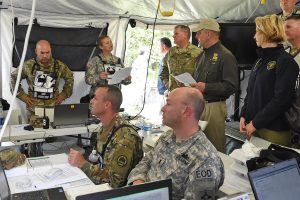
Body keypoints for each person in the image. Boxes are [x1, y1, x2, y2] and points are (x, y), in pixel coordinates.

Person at [127, 87, 224, 200]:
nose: (162, 109)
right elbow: (146, 161)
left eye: (168, 104)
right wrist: (138, 181)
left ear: (186, 111)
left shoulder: (205, 160)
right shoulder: (167, 136)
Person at [240, 14, 299, 147]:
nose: (254, 36)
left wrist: (256, 123)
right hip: (253, 126)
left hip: (273, 130)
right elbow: (250, 92)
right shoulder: (259, 61)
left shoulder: (286, 61)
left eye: (257, 31)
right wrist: (243, 115)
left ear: (267, 32)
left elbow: (282, 100)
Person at [68, 85, 143, 188]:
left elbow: (114, 183)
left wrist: (82, 163)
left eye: (95, 98)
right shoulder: (106, 128)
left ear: (107, 104)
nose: (91, 101)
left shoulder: (125, 138)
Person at [11, 39, 74, 157]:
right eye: (42, 53)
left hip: (53, 107)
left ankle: (49, 163)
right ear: (36, 51)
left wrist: (64, 94)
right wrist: (23, 96)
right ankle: (33, 159)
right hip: (35, 108)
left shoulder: (59, 66)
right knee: (34, 138)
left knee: (50, 139)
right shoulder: (28, 65)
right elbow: (13, 78)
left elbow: (70, 77)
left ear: (51, 51)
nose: (45, 56)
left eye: (48, 52)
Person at [191, 18, 238, 153]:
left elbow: (231, 86)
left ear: (208, 34)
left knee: (214, 150)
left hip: (214, 108)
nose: (196, 36)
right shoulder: (201, 56)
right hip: (198, 106)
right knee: (198, 148)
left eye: (199, 33)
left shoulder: (226, 56)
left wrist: (206, 87)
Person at [160, 25, 201, 91]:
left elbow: (202, 76)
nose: (173, 36)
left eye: (176, 33)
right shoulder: (171, 51)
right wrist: (166, 83)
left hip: (189, 95)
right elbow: (164, 70)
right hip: (173, 93)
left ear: (185, 35)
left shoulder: (198, 52)